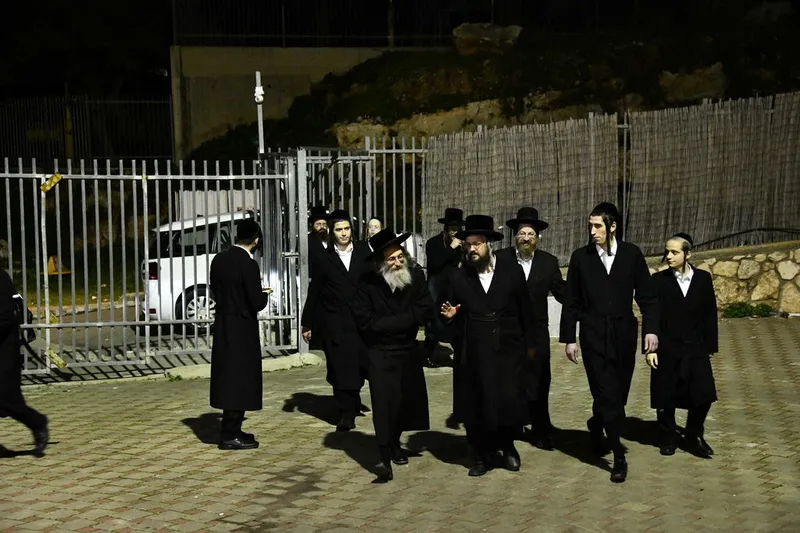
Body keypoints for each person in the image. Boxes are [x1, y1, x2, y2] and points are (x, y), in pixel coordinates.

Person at [559, 202, 659, 483]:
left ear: (612, 226)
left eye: (597, 226)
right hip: (592, 335)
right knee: (606, 392)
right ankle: (618, 456)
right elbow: (571, 301)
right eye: (590, 226)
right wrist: (569, 339)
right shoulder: (581, 258)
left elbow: (648, 296)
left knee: (618, 394)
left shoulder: (631, 254)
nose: (592, 231)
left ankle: (597, 421)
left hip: (624, 334)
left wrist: (651, 330)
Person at [440, 214, 535, 477]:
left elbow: (525, 310)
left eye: (477, 244)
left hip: (507, 347)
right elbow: (446, 310)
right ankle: (481, 456)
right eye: (468, 244)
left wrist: (530, 344)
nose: (472, 249)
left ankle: (508, 446)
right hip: (475, 350)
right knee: (477, 403)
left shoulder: (511, 271)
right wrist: (450, 316)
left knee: (507, 400)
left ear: (488, 245)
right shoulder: (458, 276)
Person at [350, 228, 433, 482]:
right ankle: (383, 456)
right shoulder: (367, 284)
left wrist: (394, 322)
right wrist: (404, 321)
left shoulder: (415, 277)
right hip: (380, 352)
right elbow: (366, 322)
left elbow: (425, 310)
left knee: (403, 402)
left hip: (407, 350)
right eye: (391, 259)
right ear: (380, 264)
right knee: (384, 404)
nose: (397, 263)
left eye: (400, 257)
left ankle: (396, 443)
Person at [496, 207, 565, 450]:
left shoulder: (548, 262)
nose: (526, 238)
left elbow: (561, 291)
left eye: (531, 234)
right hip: (508, 332)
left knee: (539, 380)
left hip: (536, 333)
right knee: (509, 380)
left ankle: (540, 428)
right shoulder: (500, 259)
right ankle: (511, 425)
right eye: (522, 233)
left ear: (538, 237)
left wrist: (583, 294)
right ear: (515, 235)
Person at [648, 233, 718, 459]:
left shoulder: (703, 279)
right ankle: (668, 436)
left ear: (688, 254)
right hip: (667, 347)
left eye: (674, 252)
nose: (669, 256)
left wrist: (710, 346)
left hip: (696, 347)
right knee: (665, 395)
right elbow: (652, 316)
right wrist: (651, 349)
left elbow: (709, 314)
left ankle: (694, 434)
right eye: (667, 251)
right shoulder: (659, 281)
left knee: (703, 393)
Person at [301, 209, 370, 432]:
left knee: (357, 367)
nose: (343, 233)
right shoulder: (325, 258)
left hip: (360, 321)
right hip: (335, 322)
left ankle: (353, 400)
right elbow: (315, 291)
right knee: (340, 368)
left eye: (347, 228)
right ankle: (345, 413)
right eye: (339, 229)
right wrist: (307, 323)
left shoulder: (363, 252)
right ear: (333, 232)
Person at [209, 219, 270, 450]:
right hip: (243, 327)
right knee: (241, 379)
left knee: (228, 377)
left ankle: (231, 428)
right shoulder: (248, 264)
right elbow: (256, 301)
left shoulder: (219, 259)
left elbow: (215, 290)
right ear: (256, 239)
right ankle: (230, 433)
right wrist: (264, 294)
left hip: (224, 324)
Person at [0, 269, 48, 456]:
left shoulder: (1, 277)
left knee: (8, 400)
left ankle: (37, 422)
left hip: (4, 349)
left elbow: (5, 317)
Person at [423, 208, 465, 367]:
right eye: (452, 229)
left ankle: (461, 355)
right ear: (446, 228)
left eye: (457, 229)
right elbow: (435, 263)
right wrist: (451, 248)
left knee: (455, 321)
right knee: (434, 322)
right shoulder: (433, 243)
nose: (454, 232)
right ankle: (428, 356)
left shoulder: (463, 243)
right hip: (436, 286)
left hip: (454, 286)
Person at [307, 205, 330, 280]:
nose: (322, 227)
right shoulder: (307, 240)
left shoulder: (331, 239)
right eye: (318, 224)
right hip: (314, 279)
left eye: (324, 224)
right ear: (312, 225)